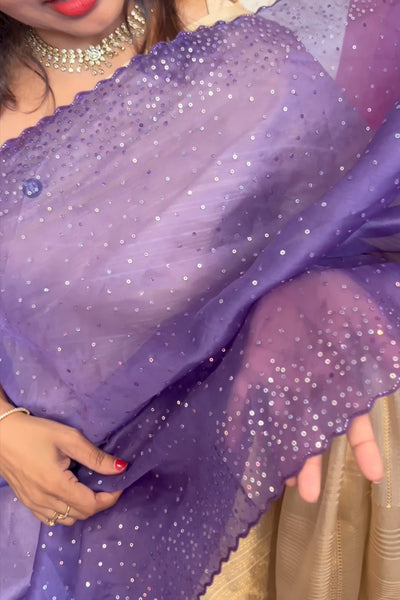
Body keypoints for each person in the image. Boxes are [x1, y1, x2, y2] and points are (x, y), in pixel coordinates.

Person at [0, 1, 399, 599]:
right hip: (61, 498)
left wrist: (316, 302)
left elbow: (356, 212)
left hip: (268, 446)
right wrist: (4, 430)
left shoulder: (239, 41)